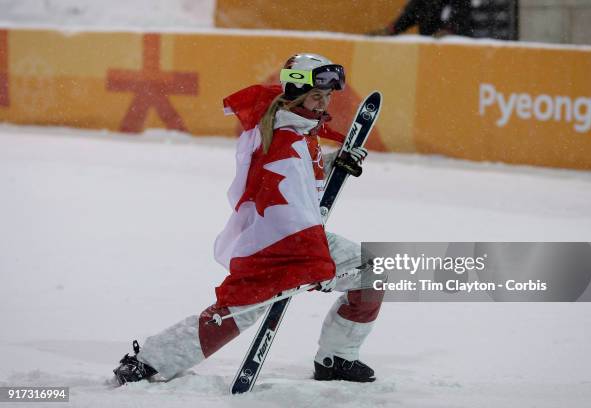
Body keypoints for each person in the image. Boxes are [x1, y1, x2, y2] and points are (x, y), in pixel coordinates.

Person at [112, 53, 386, 386]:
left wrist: (331, 164)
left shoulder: (295, 128)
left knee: (370, 273)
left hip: (296, 237)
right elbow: (282, 194)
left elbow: (295, 183)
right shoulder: (285, 140)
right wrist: (309, 261)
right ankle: (150, 363)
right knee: (237, 311)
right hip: (278, 244)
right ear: (298, 93)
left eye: (328, 95)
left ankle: (337, 357)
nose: (324, 102)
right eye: (317, 95)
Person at [369, 0, 472, 37]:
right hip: (429, 49)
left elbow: (461, 16)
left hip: (455, 51)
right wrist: (391, 30)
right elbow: (409, 15)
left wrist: (449, 30)